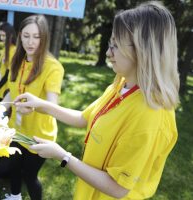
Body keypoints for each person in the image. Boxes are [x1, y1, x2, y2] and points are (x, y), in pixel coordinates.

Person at [14, 2, 179, 200]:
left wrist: (63, 156)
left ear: (142, 50)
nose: (108, 53)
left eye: (115, 45)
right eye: (110, 44)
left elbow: (118, 188)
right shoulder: (121, 85)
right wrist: (41, 104)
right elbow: (84, 118)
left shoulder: (151, 115)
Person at [0, 15, 64, 200]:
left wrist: (34, 108)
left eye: (37, 36)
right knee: (14, 166)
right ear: (20, 36)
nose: (31, 42)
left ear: (44, 37)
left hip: (39, 134)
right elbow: (11, 91)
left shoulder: (53, 67)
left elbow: (52, 105)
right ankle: (15, 196)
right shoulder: (18, 60)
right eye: (26, 35)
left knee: (29, 176)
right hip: (16, 129)